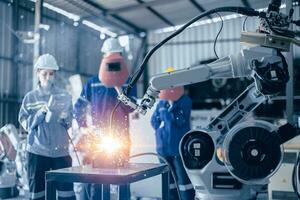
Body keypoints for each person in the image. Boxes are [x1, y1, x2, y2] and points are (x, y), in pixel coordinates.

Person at [74, 38, 136, 199]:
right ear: (104, 58)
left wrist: (119, 89)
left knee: (123, 178)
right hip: (98, 139)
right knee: (99, 180)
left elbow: (131, 108)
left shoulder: (128, 82)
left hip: (121, 138)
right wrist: (82, 126)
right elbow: (79, 106)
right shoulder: (93, 83)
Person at [19, 54, 75, 200]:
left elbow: (70, 122)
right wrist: (38, 115)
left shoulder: (65, 96)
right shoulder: (30, 98)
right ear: (38, 73)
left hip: (60, 152)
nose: (48, 77)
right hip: (37, 152)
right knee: (37, 194)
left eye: (51, 74)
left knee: (66, 194)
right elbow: (24, 122)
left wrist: (66, 117)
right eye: (45, 73)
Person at [151, 67, 195, 200]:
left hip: (178, 150)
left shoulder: (185, 101)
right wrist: (163, 113)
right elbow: (154, 122)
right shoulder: (161, 103)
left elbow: (180, 121)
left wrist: (166, 112)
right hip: (163, 150)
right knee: (169, 183)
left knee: (183, 182)